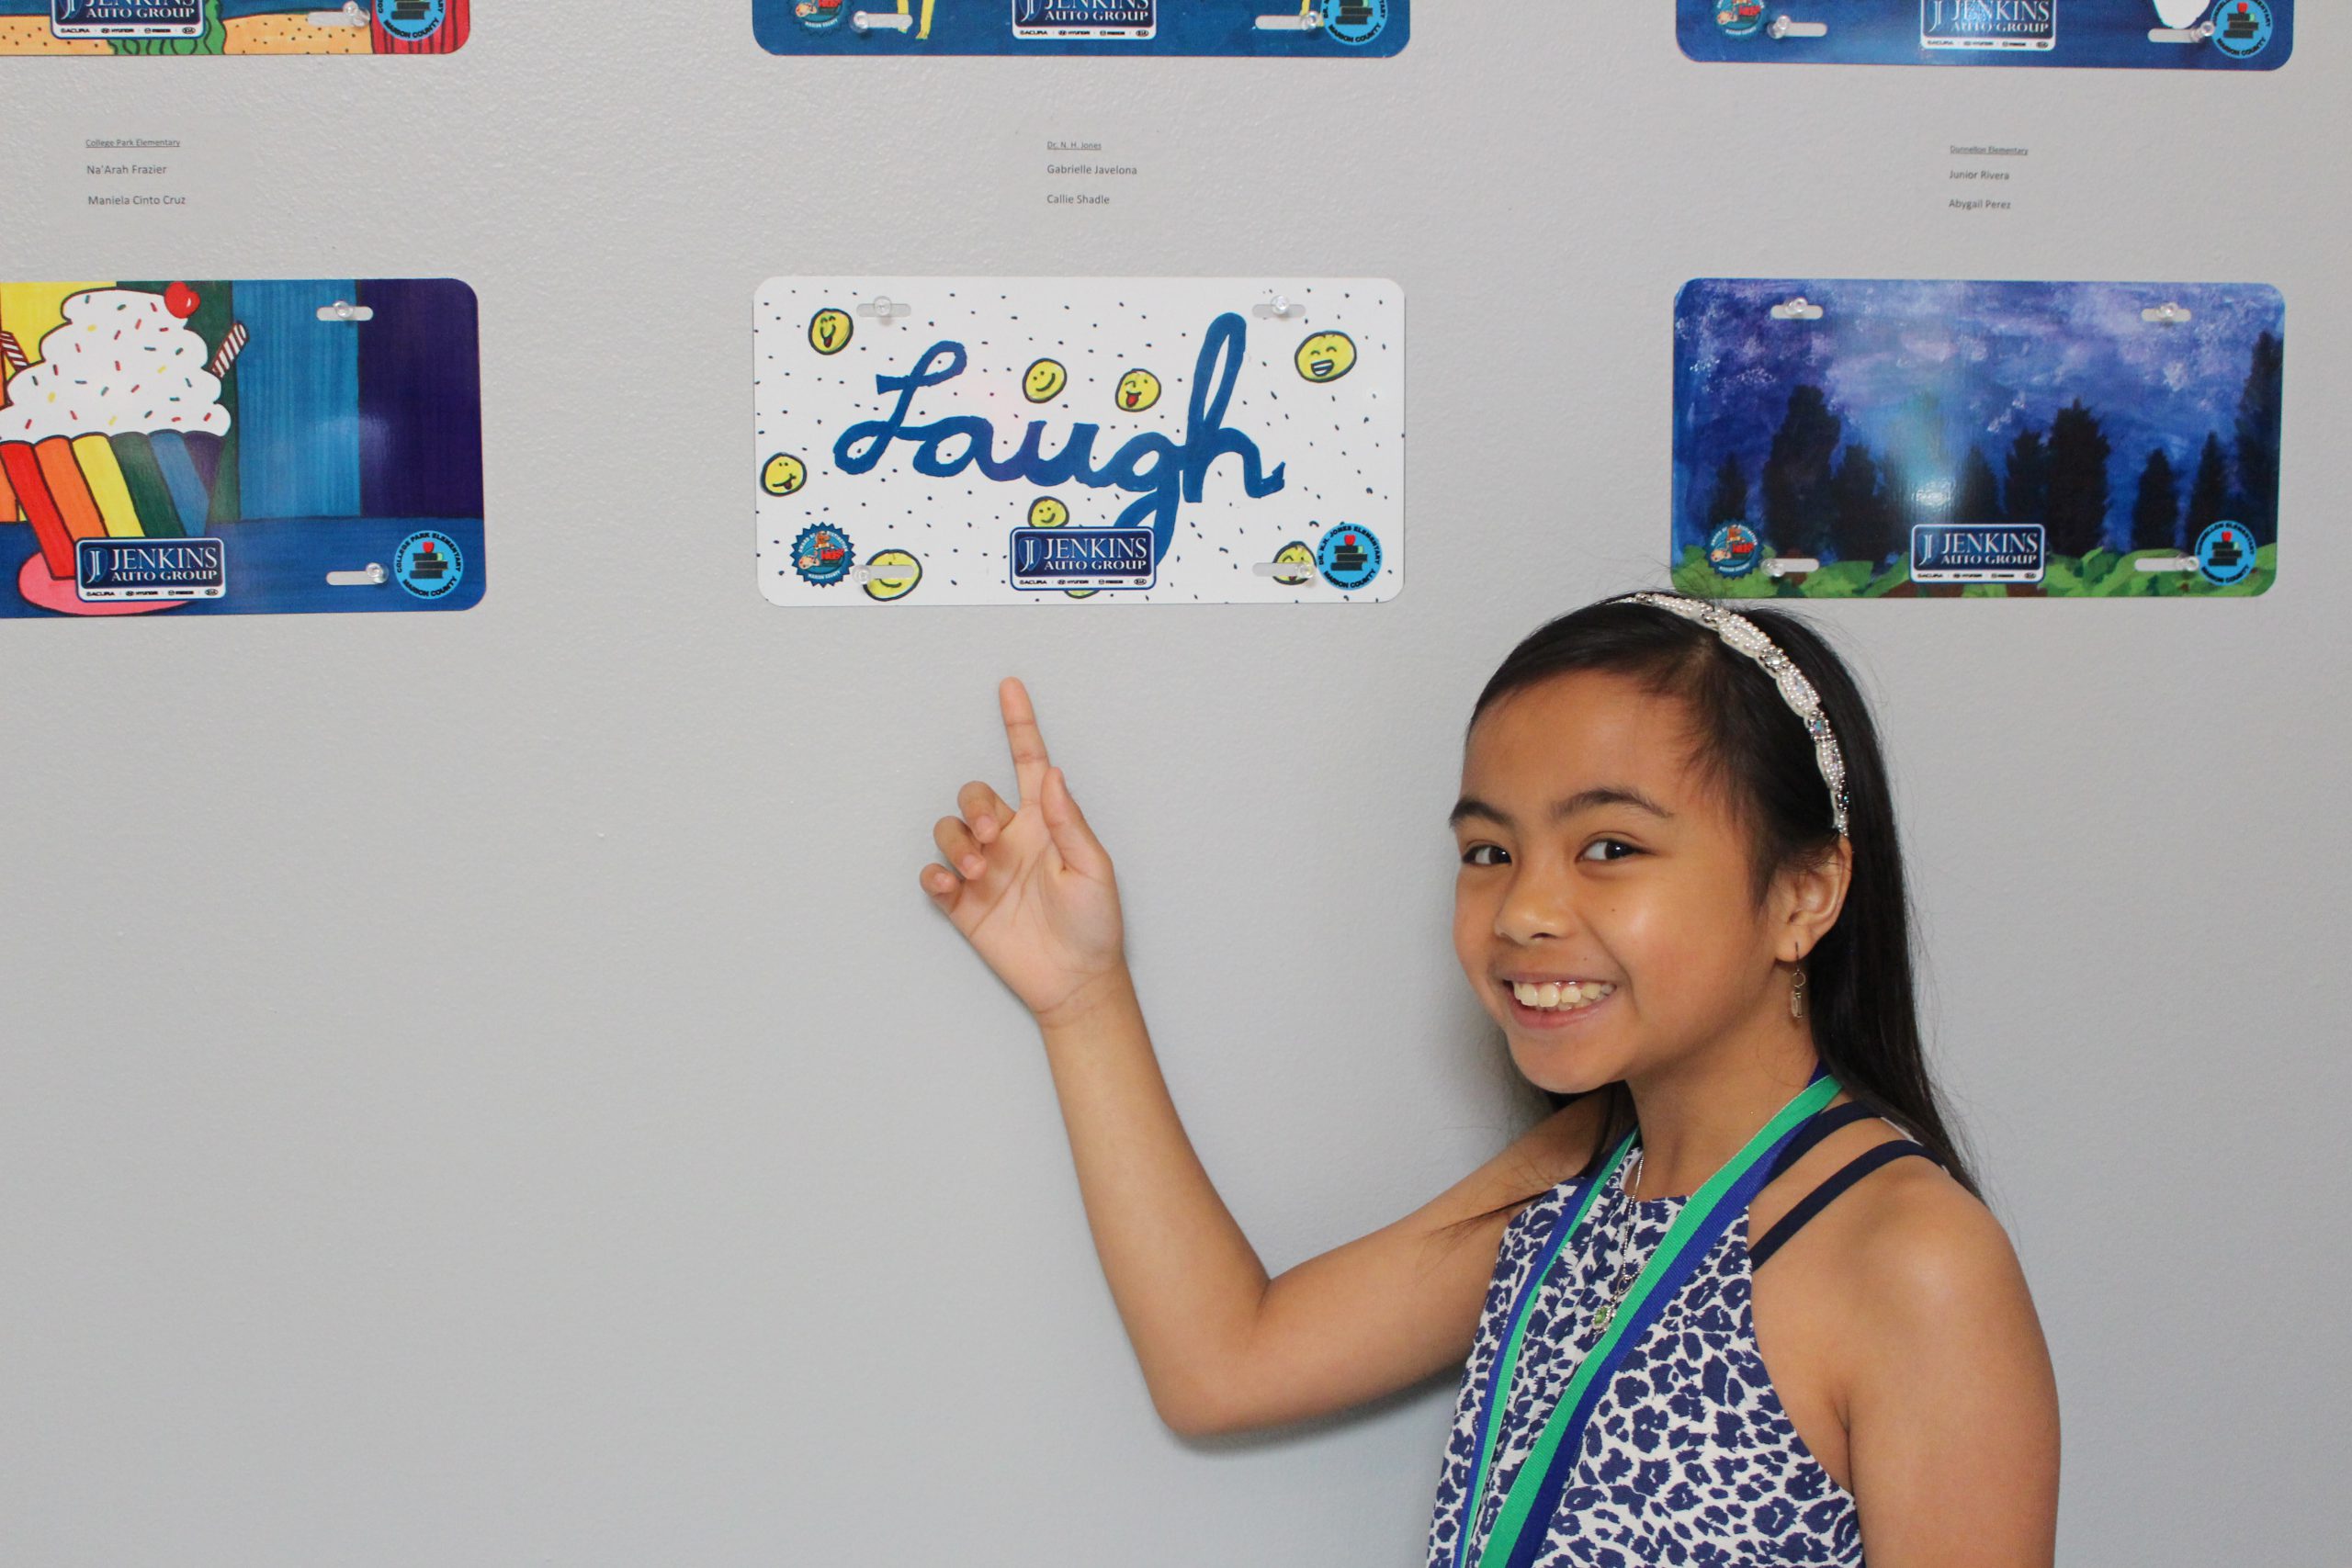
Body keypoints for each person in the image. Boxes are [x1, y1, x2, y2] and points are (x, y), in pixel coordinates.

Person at [918, 592, 2059, 1566]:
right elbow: (1224, 1362)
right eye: (1488, 852)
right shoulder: (1579, 1172)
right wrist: (1082, 996)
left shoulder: (1911, 1262)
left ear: (1804, 893)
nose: (1523, 910)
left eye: (1609, 847)